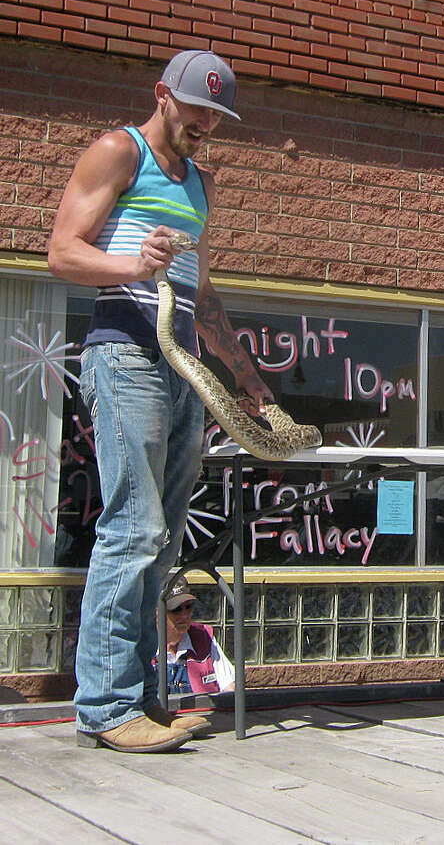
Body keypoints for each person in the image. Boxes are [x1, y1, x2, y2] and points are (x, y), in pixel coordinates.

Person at [48, 50, 273, 754]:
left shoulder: (203, 184)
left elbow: (202, 297)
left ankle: (145, 699)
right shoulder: (119, 150)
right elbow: (60, 252)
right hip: (125, 352)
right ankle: (106, 708)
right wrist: (130, 263)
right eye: (196, 108)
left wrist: (245, 375)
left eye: (217, 115)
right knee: (134, 527)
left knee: (163, 540)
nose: (206, 123)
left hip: (186, 367)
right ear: (163, 97)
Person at [157, 578, 234, 695]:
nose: (185, 615)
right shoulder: (140, 646)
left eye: (189, 607)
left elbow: (230, 688)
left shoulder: (204, 637)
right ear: (156, 612)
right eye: (176, 609)